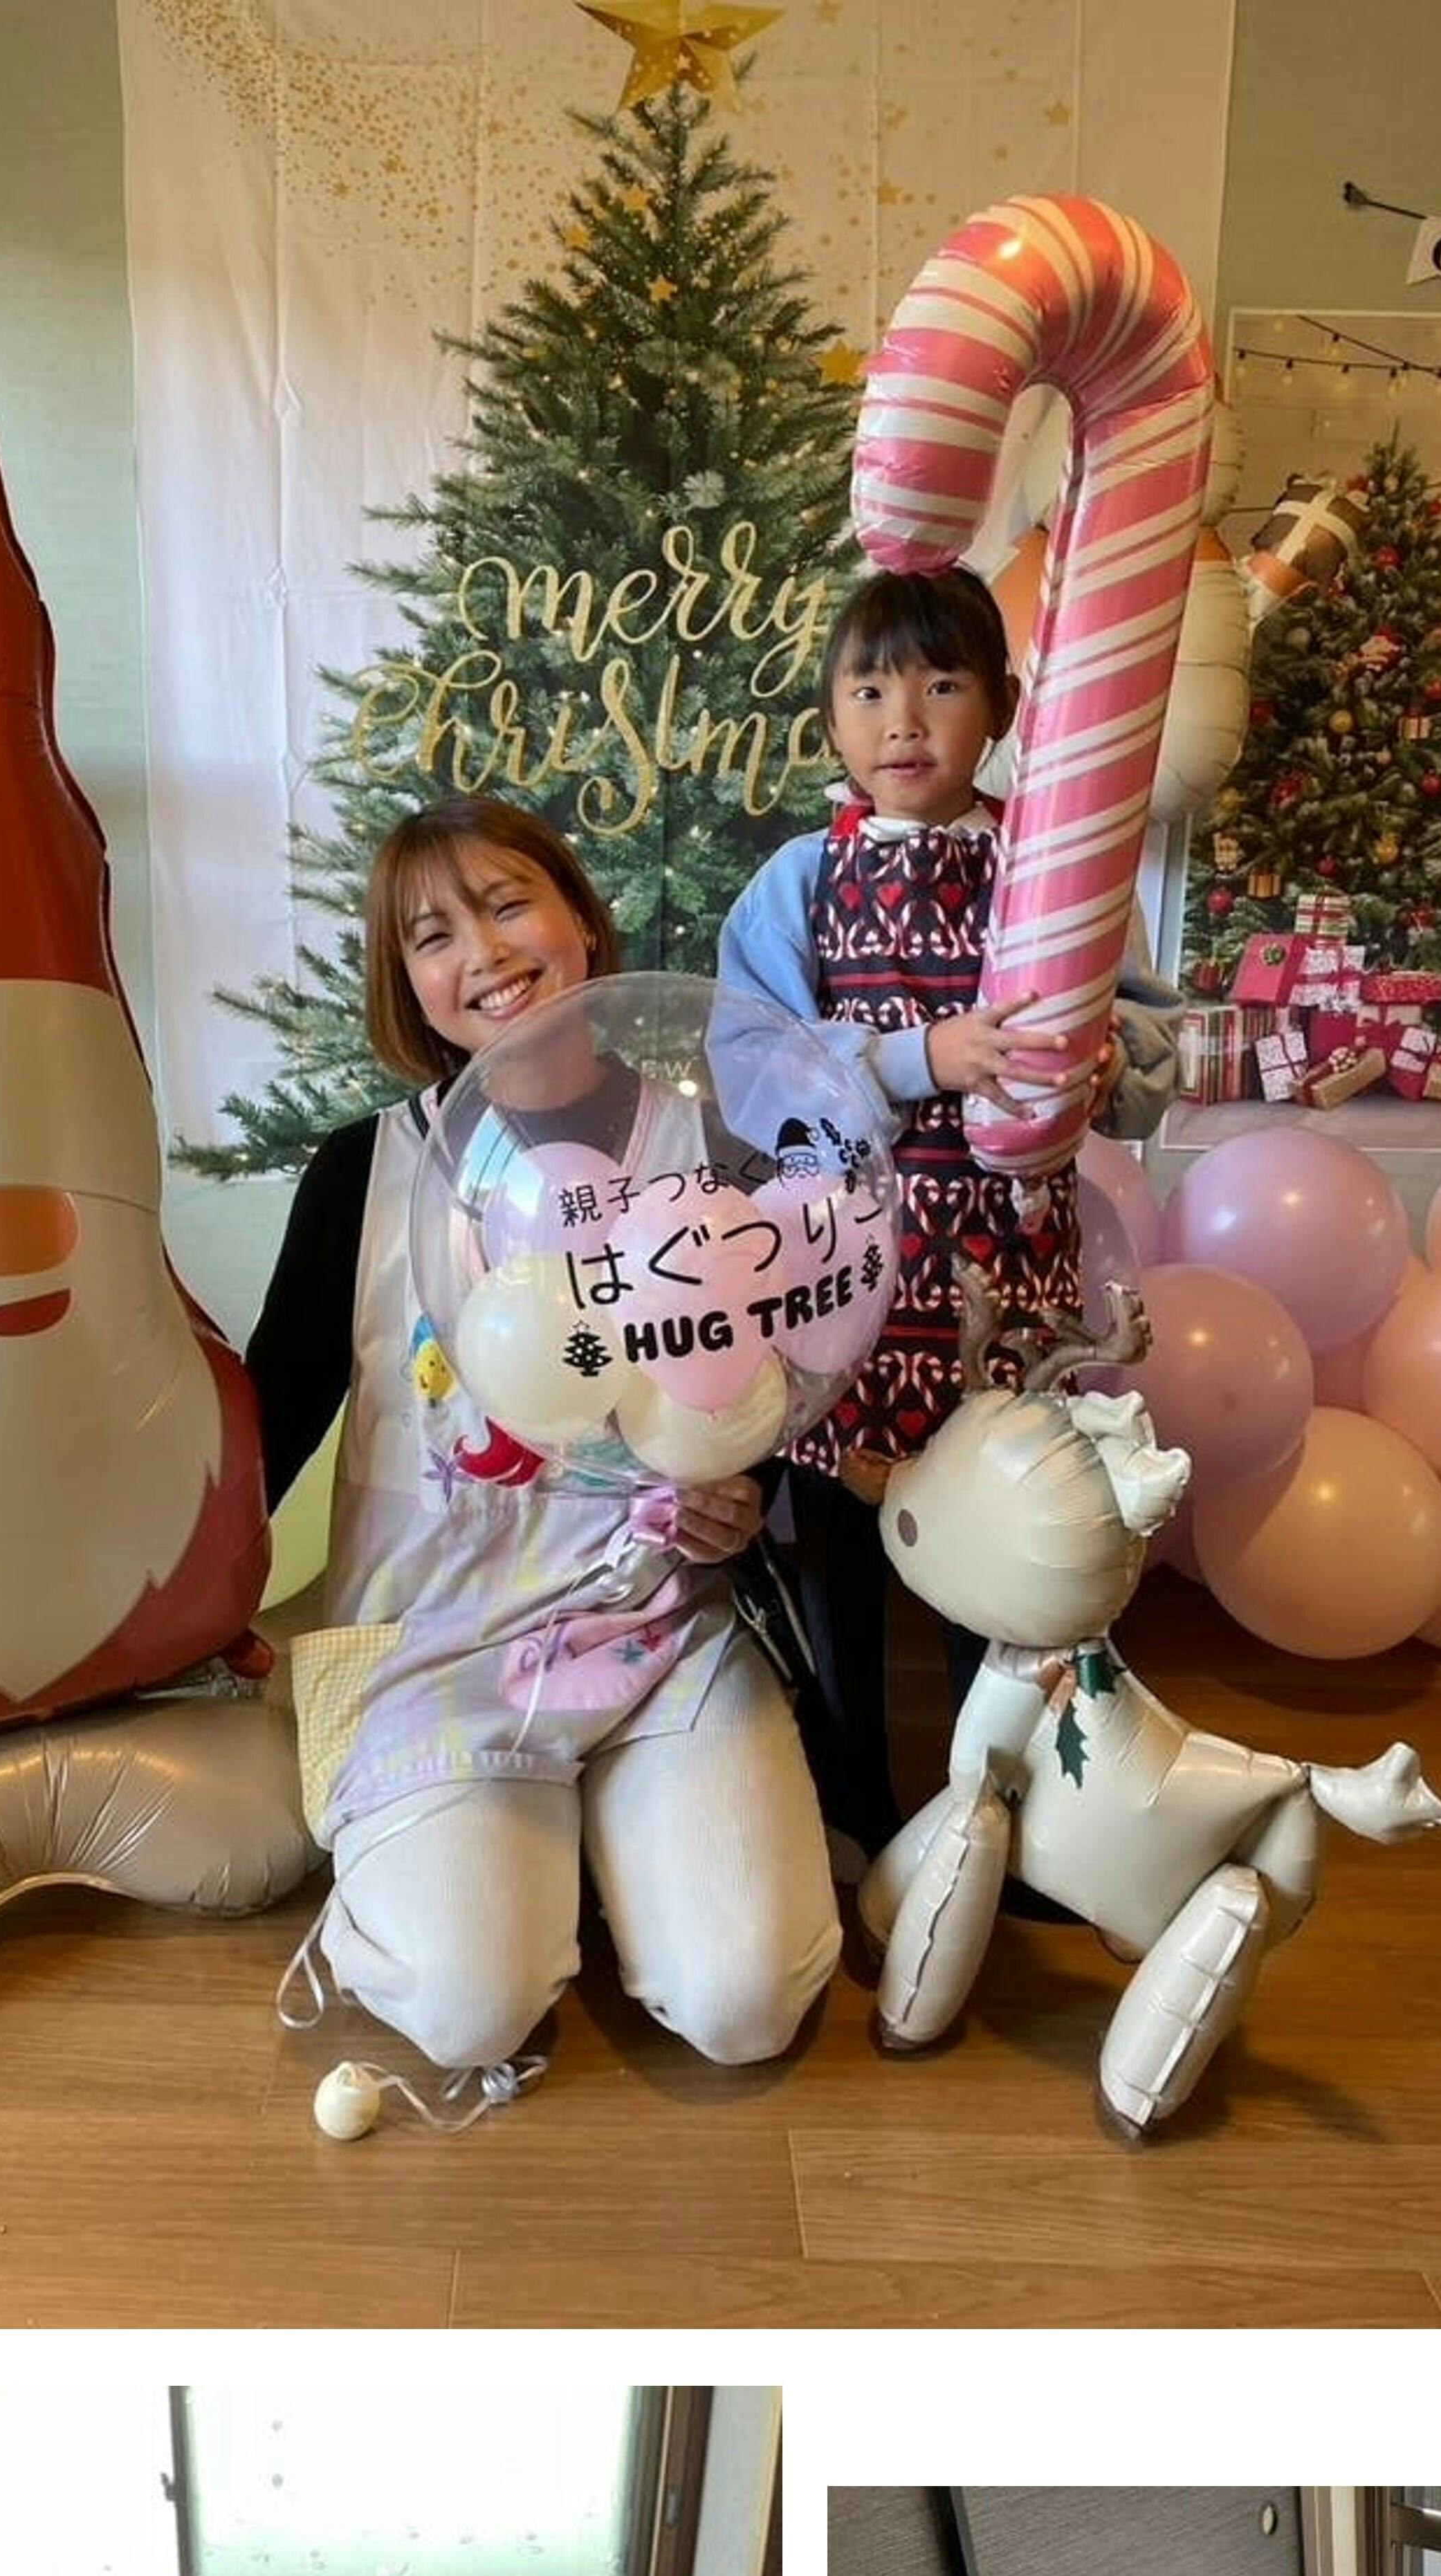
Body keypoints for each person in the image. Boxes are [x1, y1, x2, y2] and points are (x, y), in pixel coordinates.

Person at [244, 799, 838, 2074]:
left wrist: (746, 1492)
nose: (486, 952)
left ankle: (597, 1847)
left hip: (656, 1626)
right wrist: (183, 1603)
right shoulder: (363, 1172)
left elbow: (772, 1390)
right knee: (471, 2012)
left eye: (509, 903)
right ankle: (501, 1869)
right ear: (407, 984)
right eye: (433, 935)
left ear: (580, 918)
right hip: (431, 1650)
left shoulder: (713, 1149)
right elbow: (270, 1413)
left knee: (746, 2006)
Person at [717, 565, 1103, 1857]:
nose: (904, 722)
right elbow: (753, 1066)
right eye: (870, 692)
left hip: (1006, 1262)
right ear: (832, 717)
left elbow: (1134, 1021)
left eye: (942, 686)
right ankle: (851, 1803)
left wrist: (1109, 1063)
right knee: (838, 1532)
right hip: (849, 1269)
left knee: (1002, 1534)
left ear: (1000, 706)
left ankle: (1009, 1819)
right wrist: (911, 1060)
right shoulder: (800, 880)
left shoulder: (1044, 867)